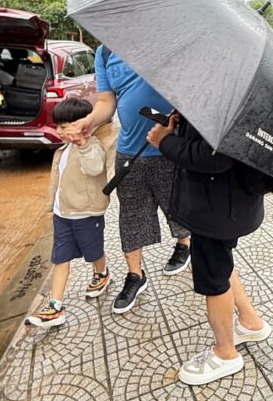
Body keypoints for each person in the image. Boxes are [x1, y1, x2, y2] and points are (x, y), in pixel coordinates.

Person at [147, 114, 272, 386]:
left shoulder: (223, 99)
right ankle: (251, 322)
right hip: (232, 202)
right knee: (221, 264)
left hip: (214, 207)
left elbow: (212, 157)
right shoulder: (242, 93)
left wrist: (165, 142)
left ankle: (226, 353)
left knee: (212, 278)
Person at [65, 46, 191, 315]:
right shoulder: (106, 52)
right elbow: (106, 102)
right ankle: (136, 275)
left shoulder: (163, 38)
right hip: (130, 150)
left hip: (171, 145)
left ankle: (184, 245)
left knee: (179, 206)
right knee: (132, 215)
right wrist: (90, 120)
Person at [26, 97, 116, 329]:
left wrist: (84, 144)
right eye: (58, 126)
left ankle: (102, 272)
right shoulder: (64, 149)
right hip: (63, 214)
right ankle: (55, 306)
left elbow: (95, 167)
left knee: (93, 250)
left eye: (64, 127)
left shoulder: (92, 146)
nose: (58, 131)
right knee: (60, 258)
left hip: (87, 213)